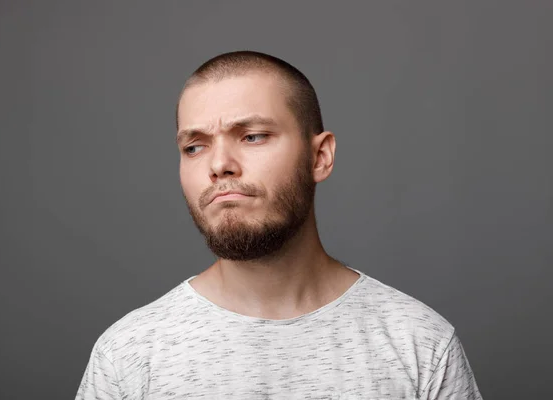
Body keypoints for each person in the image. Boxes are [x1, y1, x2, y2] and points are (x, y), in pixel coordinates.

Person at [75, 50, 482, 399]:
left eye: (252, 136)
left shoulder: (421, 345)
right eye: (194, 146)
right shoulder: (128, 354)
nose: (218, 165)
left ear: (319, 157)